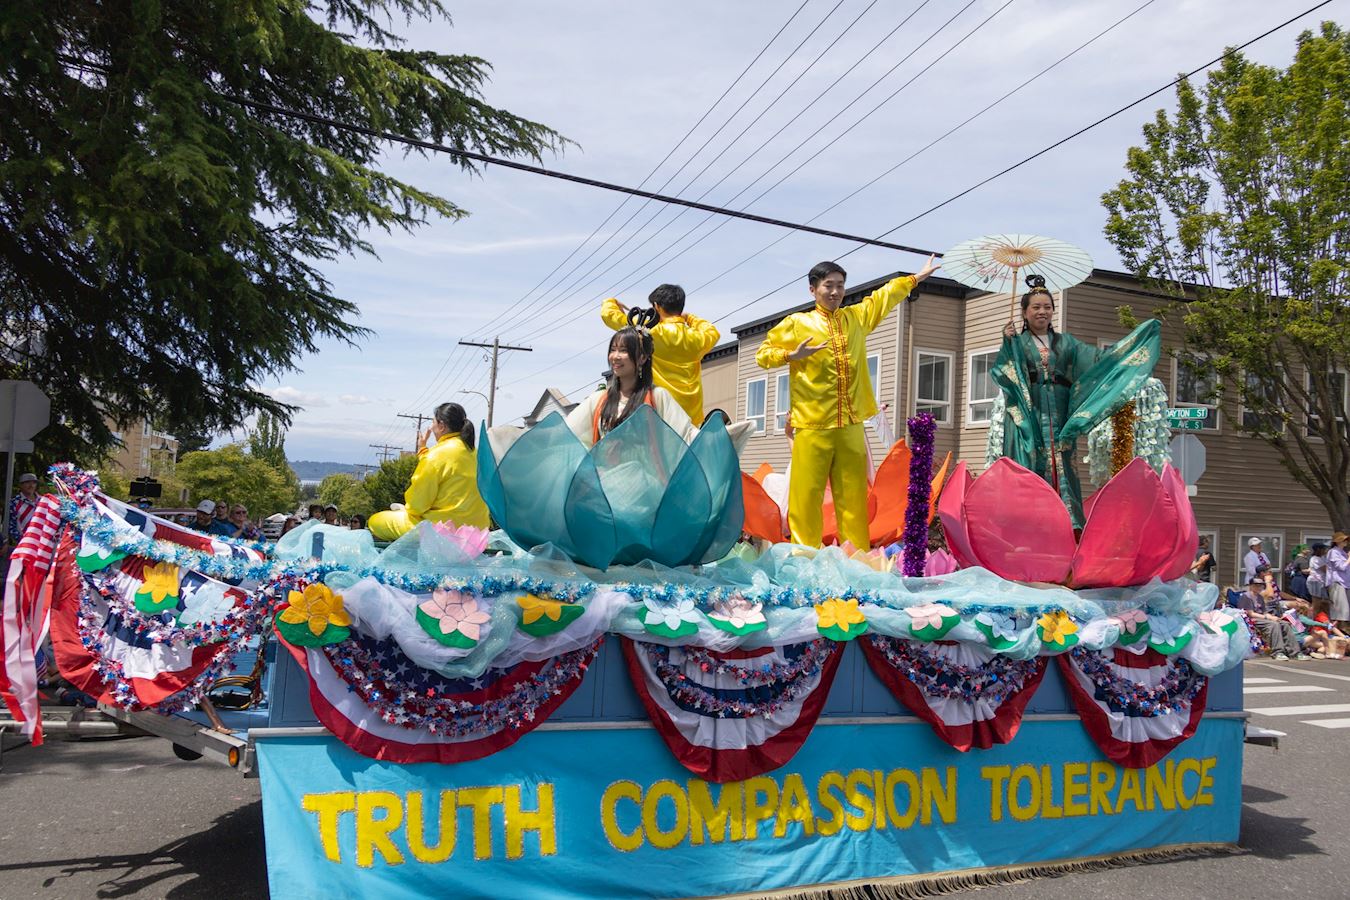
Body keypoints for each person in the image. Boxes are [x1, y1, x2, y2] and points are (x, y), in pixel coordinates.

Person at [756, 255, 941, 549]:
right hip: (812, 425)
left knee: (853, 497)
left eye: (840, 285)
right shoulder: (797, 323)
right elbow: (762, 354)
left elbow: (883, 297)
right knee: (806, 498)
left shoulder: (855, 318)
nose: (835, 291)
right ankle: (804, 556)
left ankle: (857, 556)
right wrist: (790, 355)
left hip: (851, 424)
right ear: (813, 289)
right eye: (828, 285)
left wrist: (914, 279)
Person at [992, 274, 1161, 528]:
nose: (1042, 312)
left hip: (1061, 409)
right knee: (1033, 458)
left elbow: (1097, 360)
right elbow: (1004, 372)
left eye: (1047, 307)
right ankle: (1031, 521)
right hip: (1032, 409)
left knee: (1063, 459)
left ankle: (1069, 523)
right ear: (1024, 312)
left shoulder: (1067, 343)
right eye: (1036, 307)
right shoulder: (1017, 342)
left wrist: (1127, 353)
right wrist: (1008, 343)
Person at [368, 402, 490, 541]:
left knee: (375, 521)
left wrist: (406, 509)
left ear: (442, 426)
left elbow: (417, 506)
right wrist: (422, 449)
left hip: (441, 531)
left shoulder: (436, 454)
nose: (431, 427)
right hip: (477, 533)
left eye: (433, 422)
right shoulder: (477, 454)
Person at [601, 284, 720, 424]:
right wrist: (690, 318)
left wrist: (610, 302)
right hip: (690, 416)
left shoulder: (649, 331)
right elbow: (712, 331)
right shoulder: (697, 338)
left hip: (657, 411)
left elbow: (609, 316)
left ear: (656, 307)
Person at [565, 327, 699, 448]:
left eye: (623, 350)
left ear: (642, 358)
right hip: (605, 468)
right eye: (613, 350)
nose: (615, 356)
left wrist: (709, 439)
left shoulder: (657, 396)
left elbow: (686, 435)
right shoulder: (599, 399)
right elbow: (567, 432)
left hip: (646, 469)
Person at [1236, 575, 1307, 660]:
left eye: (1260, 585)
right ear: (1251, 586)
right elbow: (1250, 613)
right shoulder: (1246, 596)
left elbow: (1264, 611)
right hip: (1250, 620)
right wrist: (1267, 617)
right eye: (1256, 585)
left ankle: (1295, 652)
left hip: (1262, 618)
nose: (1259, 587)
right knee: (1274, 625)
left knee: (1285, 624)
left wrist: (1272, 617)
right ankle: (1278, 652)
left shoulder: (1259, 597)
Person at [7, 472, 40, 545]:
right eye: (27, 482)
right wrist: (24, 541)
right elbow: (11, 526)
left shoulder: (43, 501)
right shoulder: (14, 503)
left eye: (34, 482)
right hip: (23, 544)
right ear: (21, 485)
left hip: (42, 543)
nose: (31, 485)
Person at [1326, 532, 1349, 624]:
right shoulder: (1333, 552)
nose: (1346, 541)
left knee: (1344, 611)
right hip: (1337, 582)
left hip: (1345, 583)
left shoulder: (1343, 553)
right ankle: (1332, 629)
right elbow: (1341, 567)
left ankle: (1340, 629)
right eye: (1343, 540)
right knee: (1338, 610)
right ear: (1337, 541)